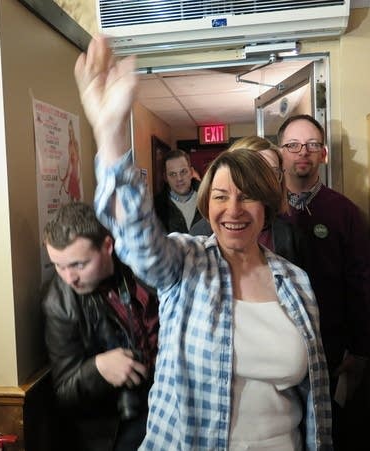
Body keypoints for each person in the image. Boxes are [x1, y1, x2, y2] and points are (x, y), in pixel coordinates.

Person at [75, 35, 332, 450]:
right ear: (206, 204)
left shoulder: (296, 282)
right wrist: (111, 136)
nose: (234, 209)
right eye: (220, 196)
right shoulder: (187, 262)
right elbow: (139, 242)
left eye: (247, 195)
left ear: (267, 206)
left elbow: (312, 399)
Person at [277, 114, 370, 450]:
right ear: (280, 153)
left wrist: (359, 350)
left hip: (332, 353)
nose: (302, 152)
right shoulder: (263, 211)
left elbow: (362, 285)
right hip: (276, 352)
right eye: (293, 145)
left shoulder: (344, 212)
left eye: (312, 145)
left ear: (323, 154)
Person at [41, 201, 159, 451]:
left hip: (168, 400)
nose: (69, 277)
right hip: (114, 427)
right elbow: (64, 391)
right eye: (58, 266)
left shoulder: (140, 264)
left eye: (79, 265)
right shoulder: (59, 302)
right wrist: (98, 369)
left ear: (107, 246)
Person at [190, 135, 310, 269]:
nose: (263, 181)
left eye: (271, 172)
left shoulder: (290, 234)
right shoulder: (200, 234)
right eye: (253, 170)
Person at [153, 149, 203, 233]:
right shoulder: (155, 207)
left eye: (183, 172)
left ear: (191, 172)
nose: (179, 179)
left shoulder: (207, 198)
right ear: (165, 177)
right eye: (173, 174)